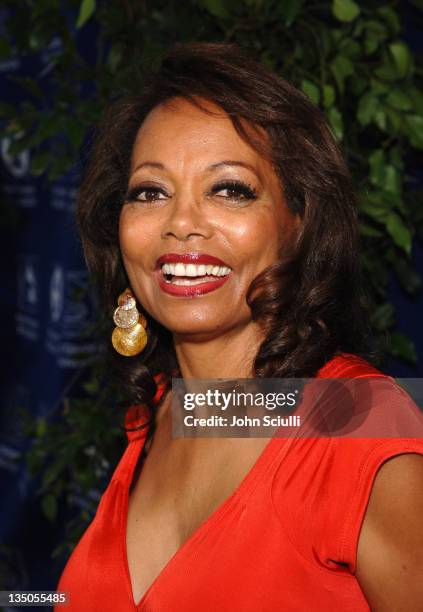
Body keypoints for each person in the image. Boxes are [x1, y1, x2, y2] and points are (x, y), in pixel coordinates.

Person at [55, 41, 423, 610]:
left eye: (229, 190)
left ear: (298, 226)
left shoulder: (357, 427)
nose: (181, 224)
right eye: (151, 192)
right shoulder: (160, 413)